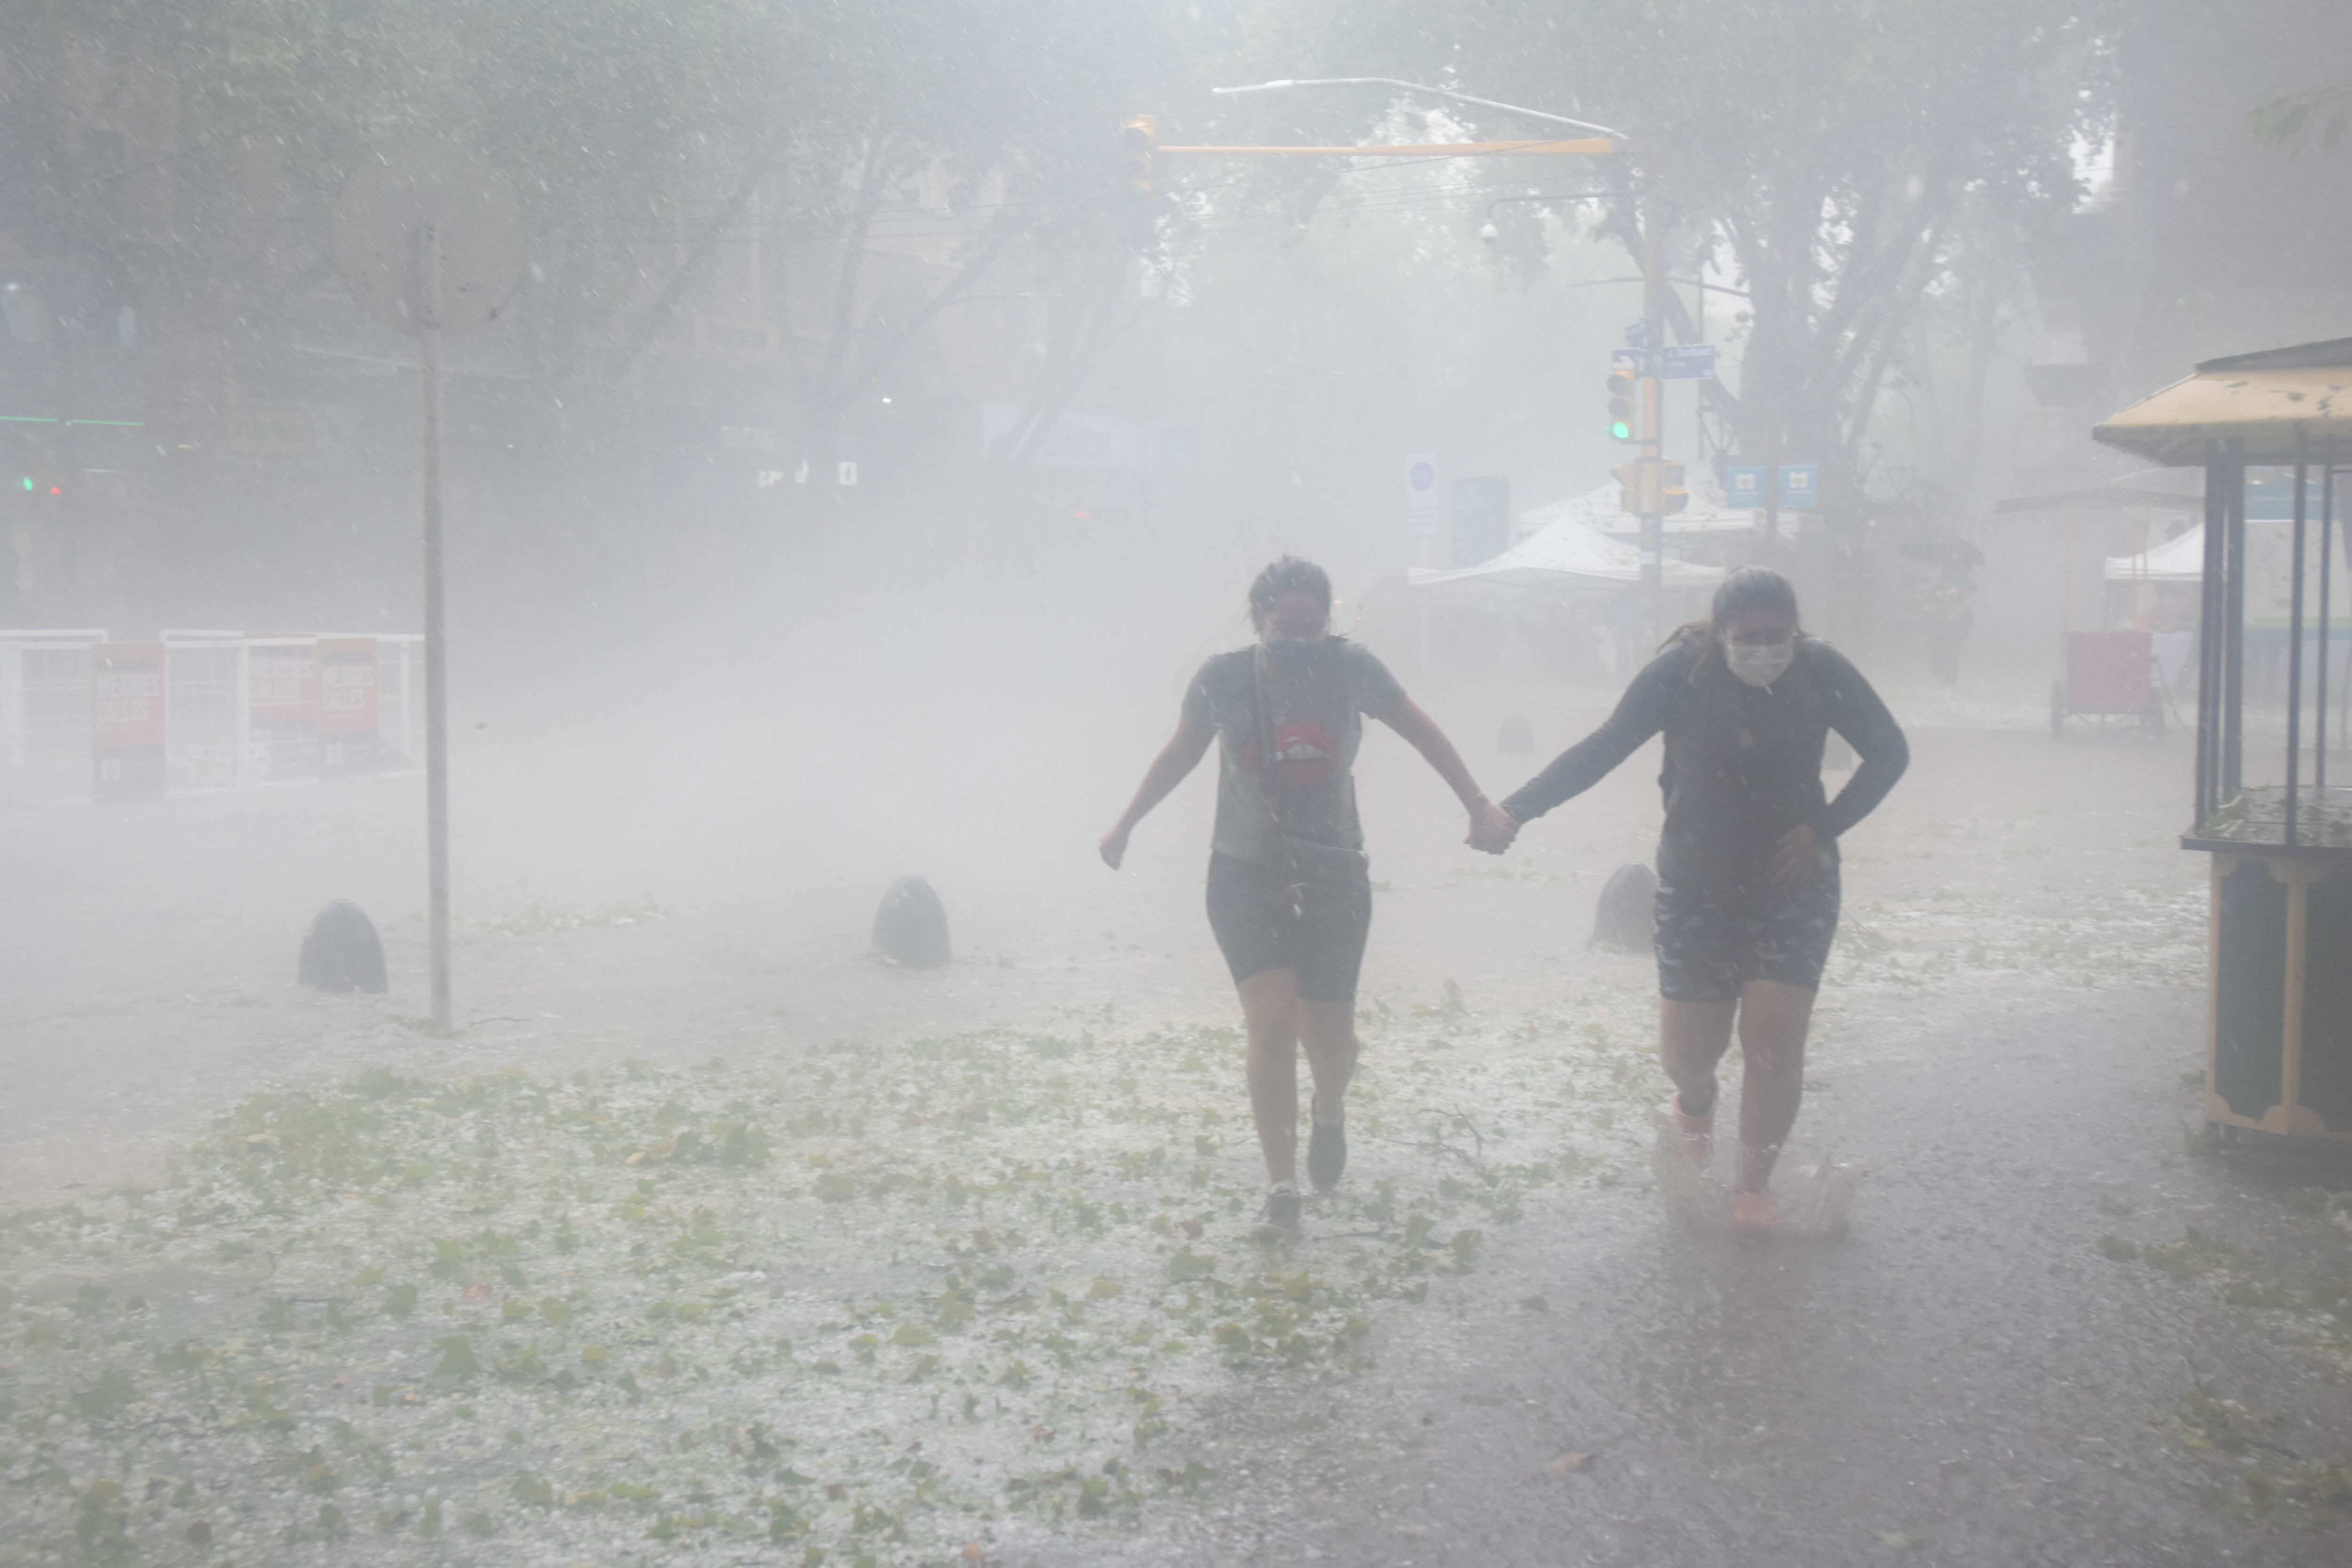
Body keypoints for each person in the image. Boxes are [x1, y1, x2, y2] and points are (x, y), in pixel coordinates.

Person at [1473, 567, 1907, 1229]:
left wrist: (1823, 828)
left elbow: (1889, 751)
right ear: (1722, 631)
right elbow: (1603, 748)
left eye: (1777, 635)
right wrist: (1517, 809)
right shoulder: (1682, 674)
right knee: (1687, 1053)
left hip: (1793, 883)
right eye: (1749, 636)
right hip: (1696, 881)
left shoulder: (1820, 670)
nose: (1764, 647)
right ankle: (1696, 1102)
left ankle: (1752, 1189)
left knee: (1773, 1036)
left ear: (1796, 629)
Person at [1100, 557, 1517, 1240]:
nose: (1298, 635)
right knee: (1270, 1019)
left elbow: (1422, 730)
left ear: (1330, 621)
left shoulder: (1353, 670)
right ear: (1257, 619)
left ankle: (1329, 1110)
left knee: (1330, 1039)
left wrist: (1477, 803)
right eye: (1283, 623)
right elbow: (1180, 752)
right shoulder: (1223, 679)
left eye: (1312, 624)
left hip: (1333, 870)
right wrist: (1126, 824)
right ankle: (1281, 1188)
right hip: (1243, 870)